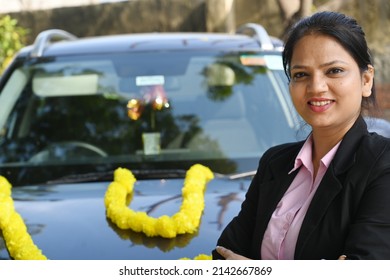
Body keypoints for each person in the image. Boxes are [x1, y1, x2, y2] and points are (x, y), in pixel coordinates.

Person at [212, 11, 390, 260]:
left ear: (366, 80)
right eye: (301, 74)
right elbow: (223, 256)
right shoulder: (275, 163)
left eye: (334, 71)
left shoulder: (382, 165)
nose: (316, 87)